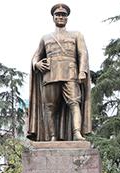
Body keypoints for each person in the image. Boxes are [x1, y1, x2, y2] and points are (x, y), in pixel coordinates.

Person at [27, 3, 91, 142]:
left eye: (63, 15)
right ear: (53, 18)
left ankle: (77, 133)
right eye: (58, 15)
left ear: (67, 18)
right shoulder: (45, 38)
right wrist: (36, 64)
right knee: (50, 107)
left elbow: (83, 53)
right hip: (50, 75)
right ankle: (52, 137)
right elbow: (36, 56)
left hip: (70, 73)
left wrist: (83, 71)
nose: (60, 17)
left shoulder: (76, 35)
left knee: (74, 103)